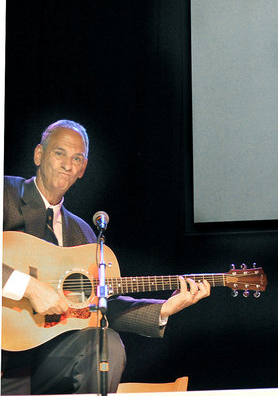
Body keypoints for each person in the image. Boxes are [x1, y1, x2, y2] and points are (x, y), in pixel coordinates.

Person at [2, 120, 210, 394]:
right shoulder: (6, 194)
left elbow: (100, 304)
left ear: (83, 169)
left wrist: (165, 308)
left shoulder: (84, 233)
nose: (67, 164)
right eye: (59, 153)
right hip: (5, 356)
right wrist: (28, 287)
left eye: (77, 158)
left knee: (104, 342)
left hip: (52, 363)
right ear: (39, 155)